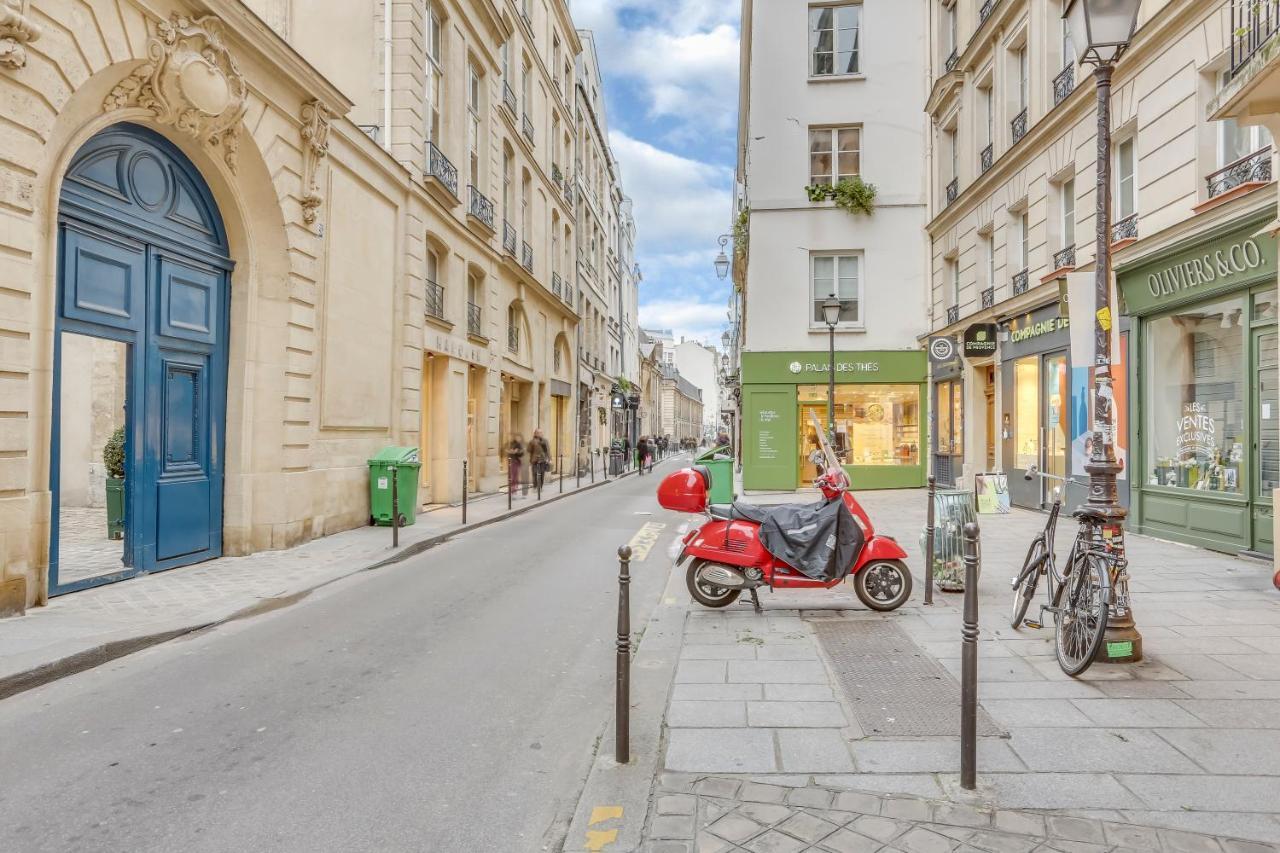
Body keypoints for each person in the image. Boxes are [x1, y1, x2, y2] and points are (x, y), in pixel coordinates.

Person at [529, 428, 550, 492]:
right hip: (534, 460)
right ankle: (535, 487)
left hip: (542, 460)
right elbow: (529, 450)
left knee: (542, 474)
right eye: (538, 433)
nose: (539, 434)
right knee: (534, 474)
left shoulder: (545, 441)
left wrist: (548, 458)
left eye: (540, 433)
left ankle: (540, 487)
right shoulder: (532, 441)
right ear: (535, 433)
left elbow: (547, 451)